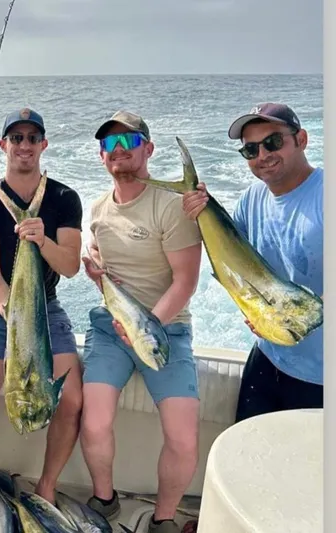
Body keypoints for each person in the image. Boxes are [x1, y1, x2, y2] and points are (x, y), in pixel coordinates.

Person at [79, 111, 203, 533]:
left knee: (183, 437)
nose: (118, 152)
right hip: (110, 330)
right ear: (101, 156)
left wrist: (144, 329)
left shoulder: (171, 207)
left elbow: (186, 283)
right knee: (93, 421)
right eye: (109, 145)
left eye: (128, 142)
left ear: (147, 149)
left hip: (165, 331)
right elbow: (108, 280)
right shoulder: (96, 210)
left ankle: (164, 517)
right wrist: (98, 280)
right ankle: (104, 498)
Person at [0, 108, 84, 505]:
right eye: (16, 138)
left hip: (45, 308)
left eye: (33, 138)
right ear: (4, 145)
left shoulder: (65, 199)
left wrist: (41, 240)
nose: (25, 145)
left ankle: (46, 486)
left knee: (72, 400)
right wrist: (14, 318)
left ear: (43, 145)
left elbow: (69, 267)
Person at [180, 102, 323, 421]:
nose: (262, 156)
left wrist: (305, 313)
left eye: (273, 142)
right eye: (250, 150)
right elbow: (235, 264)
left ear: (301, 139)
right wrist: (201, 213)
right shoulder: (251, 199)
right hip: (268, 358)